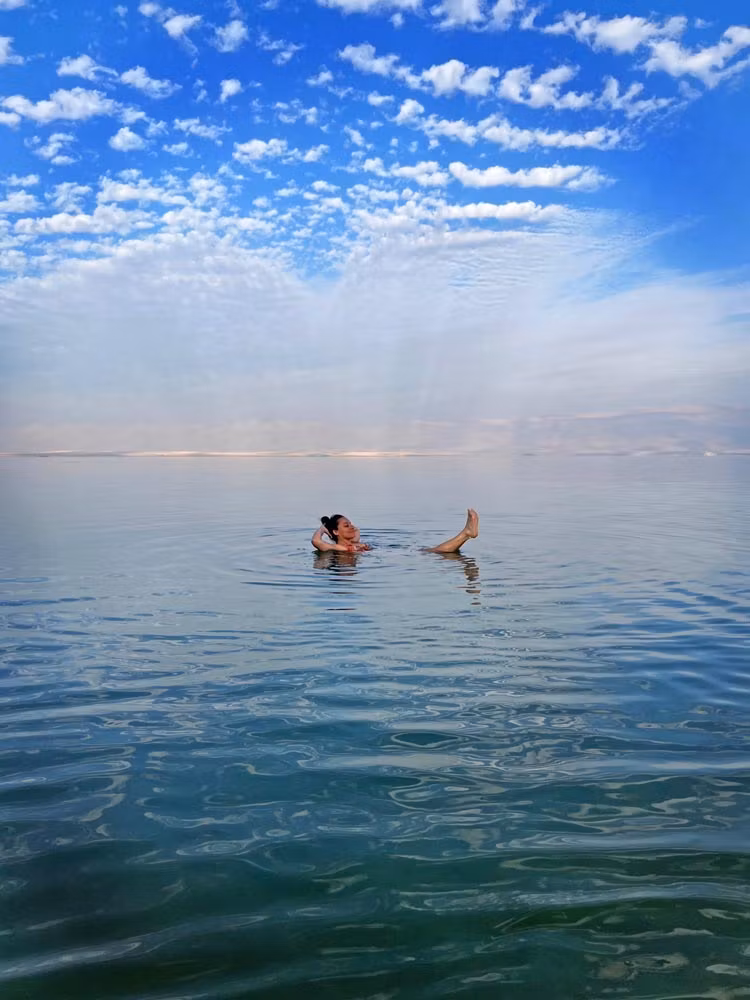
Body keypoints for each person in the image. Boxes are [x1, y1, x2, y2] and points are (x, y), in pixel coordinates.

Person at [311, 509, 479, 554]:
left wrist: (345, 530)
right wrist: (323, 528)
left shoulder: (354, 543)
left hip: (388, 552)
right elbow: (316, 542)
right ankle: (465, 533)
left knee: (431, 551)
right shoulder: (336, 549)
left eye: (351, 524)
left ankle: (466, 533)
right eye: (347, 525)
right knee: (432, 552)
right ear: (335, 531)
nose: (353, 527)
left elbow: (357, 532)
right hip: (391, 555)